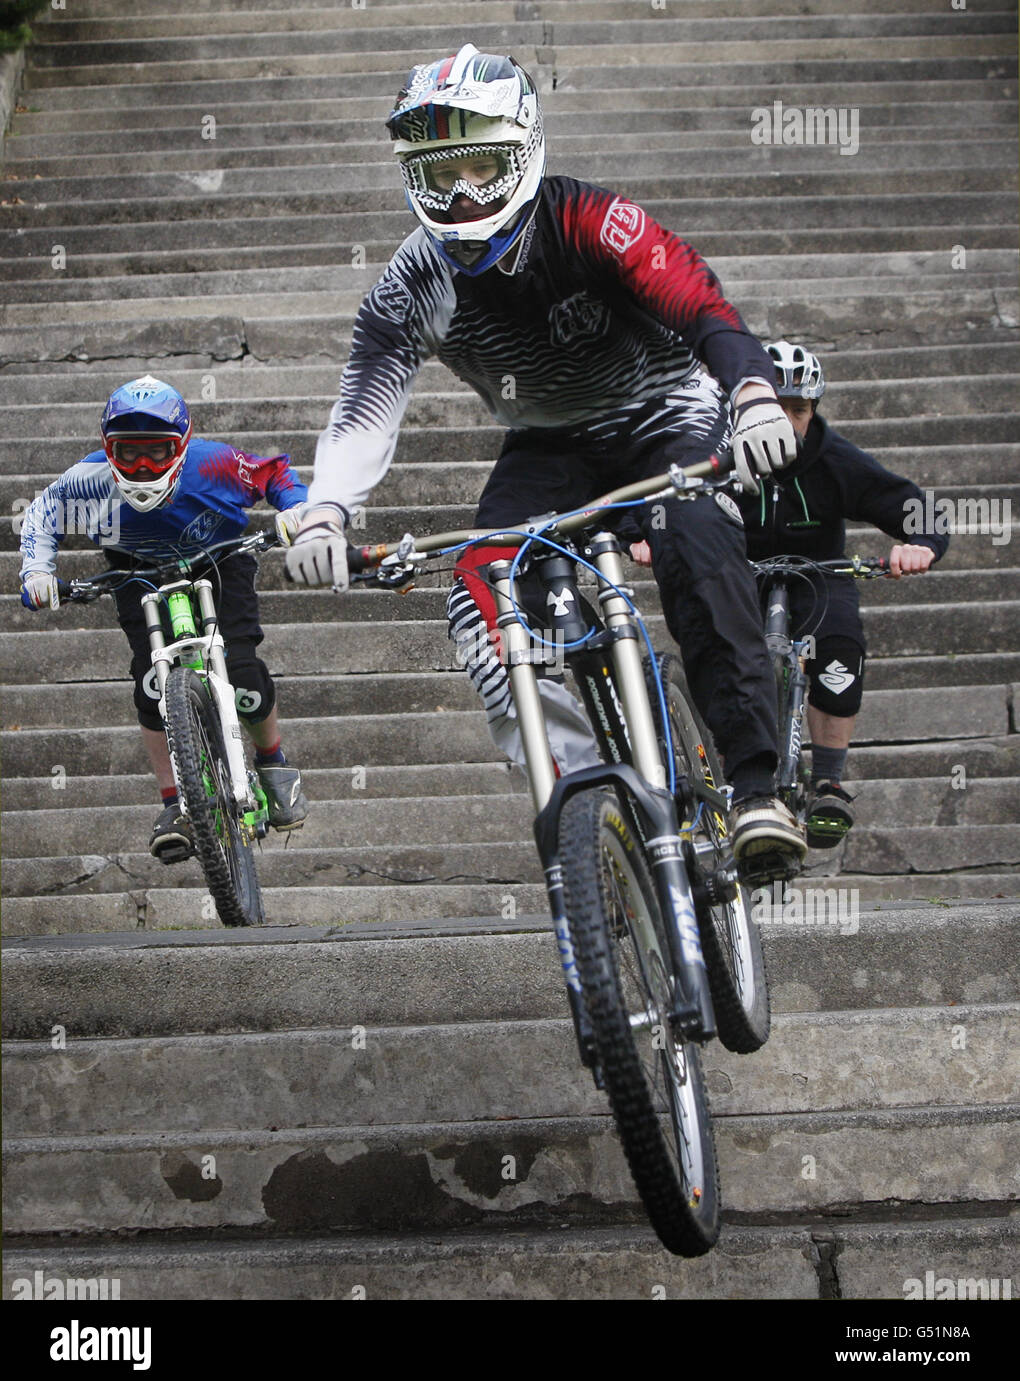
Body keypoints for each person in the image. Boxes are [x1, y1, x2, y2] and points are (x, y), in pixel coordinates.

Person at [284, 43, 809, 880]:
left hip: (665, 413)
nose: (458, 197)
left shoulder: (591, 221)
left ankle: (754, 789)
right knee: (480, 590)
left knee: (700, 546)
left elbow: (697, 299)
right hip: (548, 442)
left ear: (525, 150)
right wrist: (324, 509)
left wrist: (749, 395)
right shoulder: (410, 282)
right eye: (437, 175)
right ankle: (581, 798)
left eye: (481, 168)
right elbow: (363, 408)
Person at [19, 374, 310, 862]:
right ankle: (175, 803)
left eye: (157, 450)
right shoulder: (85, 480)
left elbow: (274, 473)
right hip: (135, 573)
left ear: (183, 445)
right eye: (128, 452)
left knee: (245, 678)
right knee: (151, 688)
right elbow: (40, 516)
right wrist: (37, 572)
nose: (143, 466)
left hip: (220, 559)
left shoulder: (216, 464)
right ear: (107, 449)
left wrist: (298, 508)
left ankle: (274, 765)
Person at [737, 340, 948, 845]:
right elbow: (668, 497)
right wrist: (646, 533)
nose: (787, 421)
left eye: (799, 409)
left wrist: (919, 544)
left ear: (814, 410)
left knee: (840, 647)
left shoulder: (833, 458)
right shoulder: (720, 455)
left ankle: (828, 779)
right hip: (739, 574)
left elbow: (910, 506)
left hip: (821, 574)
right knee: (724, 656)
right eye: (776, 408)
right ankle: (739, 777)